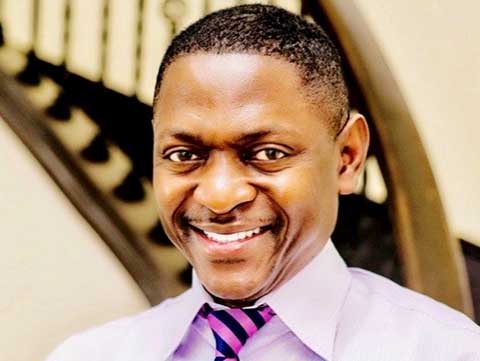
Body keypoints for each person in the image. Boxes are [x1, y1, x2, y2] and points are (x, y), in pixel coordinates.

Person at [47, 4, 479, 361]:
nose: (218, 196)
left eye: (267, 154)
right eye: (185, 155)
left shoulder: (444, 351)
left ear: (347, 158)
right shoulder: (92, 355)